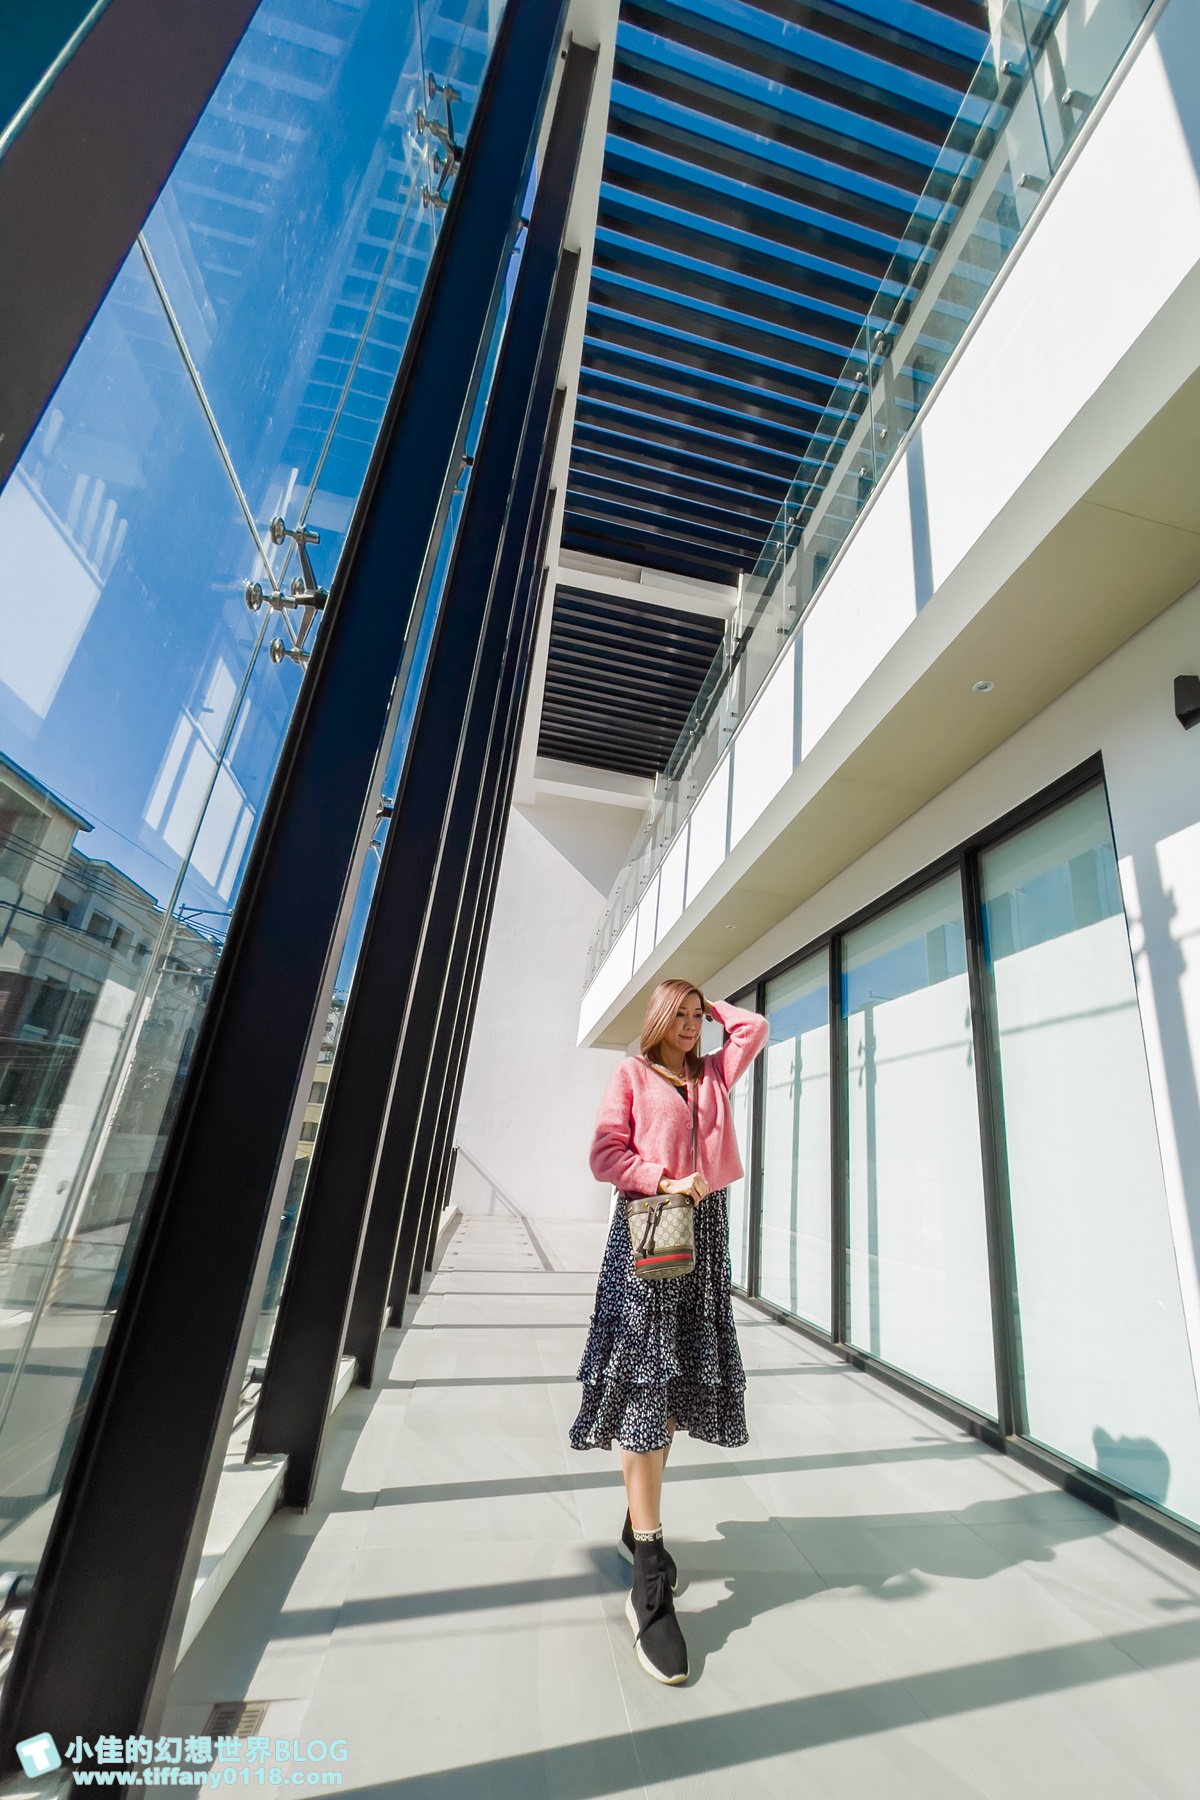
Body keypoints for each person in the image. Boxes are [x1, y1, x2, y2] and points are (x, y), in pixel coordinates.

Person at [569, 978, 768, 1685]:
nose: (689, 1026)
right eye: (678, 1015)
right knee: (646, 1388)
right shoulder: (630, 1074)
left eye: (695, 1016)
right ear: (656, 1018)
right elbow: (606, 1156)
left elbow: (753, 1029)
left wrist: (711, 1009)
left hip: (703, 1239)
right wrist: (662, 1179)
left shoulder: (712, 1071)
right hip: (651, 1233)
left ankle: (636, 1518)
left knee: (674, 1384)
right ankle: (648, 1567)